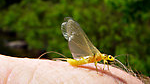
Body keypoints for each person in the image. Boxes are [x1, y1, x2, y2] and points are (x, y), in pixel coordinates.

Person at [0, 54, 143, 84]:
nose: (110, 60)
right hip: (77, 61)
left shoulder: (100, 60)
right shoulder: (97, 58)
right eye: (110, 58)